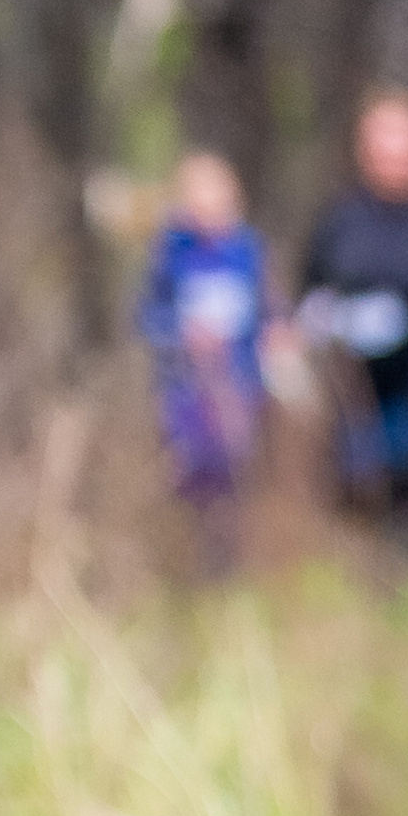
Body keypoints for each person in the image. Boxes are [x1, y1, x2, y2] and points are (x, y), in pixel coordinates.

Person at [300, 91, 408, 514]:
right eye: (381, 152)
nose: (391, 163)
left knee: (405, 476)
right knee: (354, 486)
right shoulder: (341, 219)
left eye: (401, 152)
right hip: (351, 387)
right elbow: (312, 285)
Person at [136, 151, 267, 553]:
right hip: (185, 389)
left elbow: (266, 311)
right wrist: (181, 334)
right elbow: (146, 317)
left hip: (239, 385)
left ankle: (234, 555)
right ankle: (187, 553)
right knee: (190, 476)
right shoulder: (168, 253)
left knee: (236, 474)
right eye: (197, 196)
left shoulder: (247, 250)